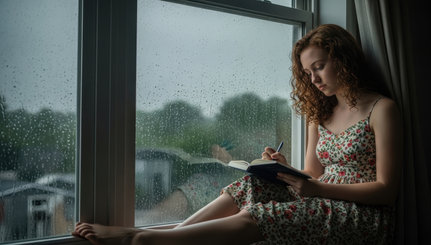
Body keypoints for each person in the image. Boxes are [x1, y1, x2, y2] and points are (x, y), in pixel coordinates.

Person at [72, 24, 402, 245]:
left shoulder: (381, 109)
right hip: (321, 195)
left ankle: (146, 239)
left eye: (319, 66)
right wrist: (284, 169)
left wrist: (315, 187)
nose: (313, 79)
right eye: (306, 72)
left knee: (262, 214)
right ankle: (155, 236)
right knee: (253, 184)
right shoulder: (321, 113)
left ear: (342, 59)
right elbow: (312, 175)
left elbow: (387, 191)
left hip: (360, 214)